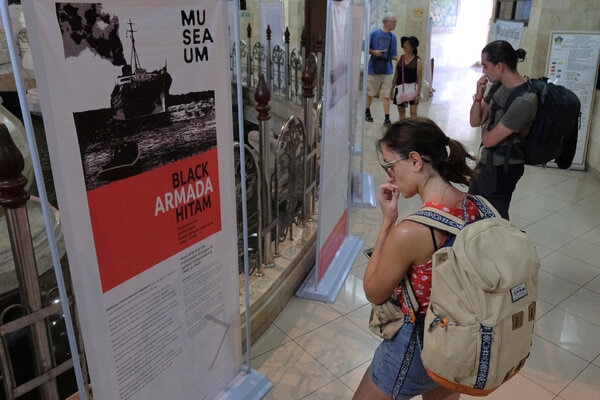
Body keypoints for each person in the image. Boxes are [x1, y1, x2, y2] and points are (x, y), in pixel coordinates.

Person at [353, 117, 478, 400]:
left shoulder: (412, 232)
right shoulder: (476, 205)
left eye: (390, 165)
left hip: (416, 345)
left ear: (414, 160)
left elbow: (373, 291)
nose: (389, 175)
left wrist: (388, 222)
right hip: (456, 339)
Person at [468, 40, 538, 219]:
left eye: (485, 66)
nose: (483, 71)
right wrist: (478, 96)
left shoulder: (525, 100)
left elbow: (488, 140)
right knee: (473, 207)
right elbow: (475, 121)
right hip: (487, 162)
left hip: (503, 169)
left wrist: (485, 128)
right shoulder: (498, 86)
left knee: (494, 219)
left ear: (499, 66)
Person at [365, 12, 398, 129]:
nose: (395, 24)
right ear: (386, 22)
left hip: (388, 69)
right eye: (393, 21)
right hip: (374, 68)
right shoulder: (374, 34)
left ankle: (387, 118)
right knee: (370, 93)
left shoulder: (393, 37)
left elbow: (394, 54)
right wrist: (374, 52)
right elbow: (365, 47)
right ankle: (367, 110)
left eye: (395, 22)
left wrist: (402, 59)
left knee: (387, 95)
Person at [391, 36, 423, 119]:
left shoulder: (417, 61)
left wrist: (418, 94)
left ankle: (413, 130)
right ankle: (403, 129)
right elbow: (396, 76)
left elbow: (419, 79)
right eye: (404, 43)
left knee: (413, 113)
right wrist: (391, 90)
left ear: (413, 47)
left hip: (413, 88)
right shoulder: (399, 58)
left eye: (407, 44)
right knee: (401, 112)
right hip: (400, 88)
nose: (405, 45)